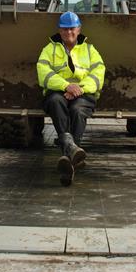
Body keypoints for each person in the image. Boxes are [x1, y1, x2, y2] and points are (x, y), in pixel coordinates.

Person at [36, 11, 106, 186]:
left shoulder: (90, 50)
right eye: (65, 29)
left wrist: (78, 89)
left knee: (77, 109)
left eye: (72, 29)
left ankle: (68, 152)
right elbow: (43, 72)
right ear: (59, 31)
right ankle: (73, 150)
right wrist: (66, 86)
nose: (69, 33)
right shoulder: (49, 49)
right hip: (58, 91)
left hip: (83, 94)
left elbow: (98, 73)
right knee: (55, 102)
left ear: (79, 29)